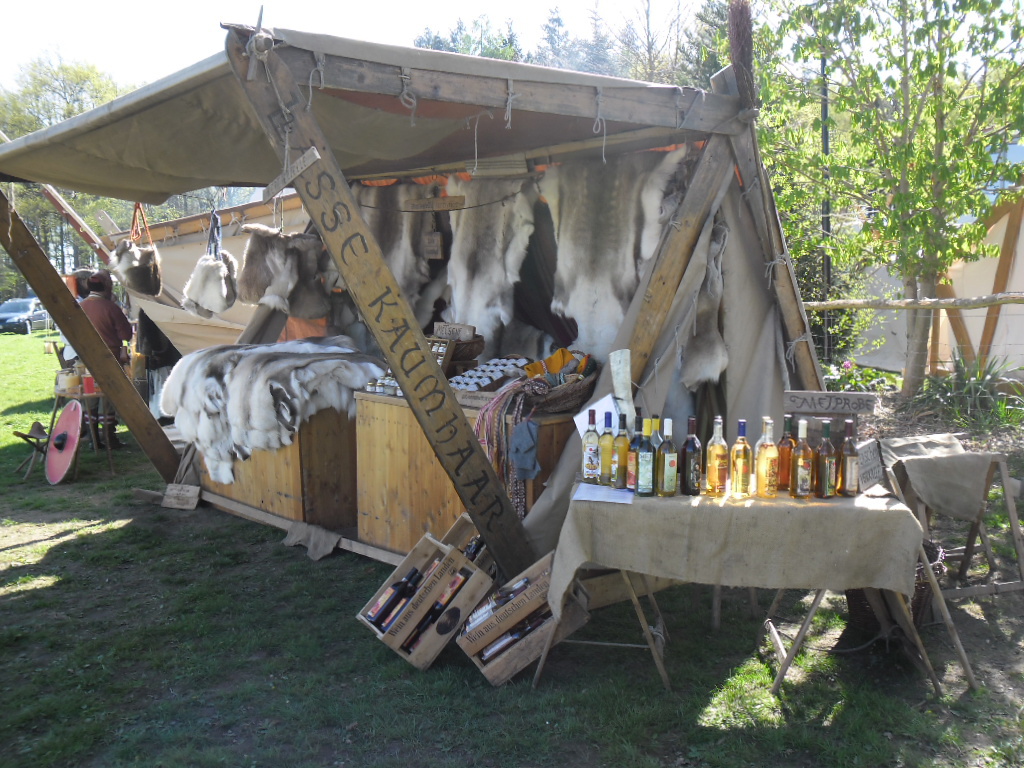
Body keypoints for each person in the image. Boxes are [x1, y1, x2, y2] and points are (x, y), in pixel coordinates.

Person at [78, 270, 133, 448]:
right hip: (109, 358)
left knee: (90, 396)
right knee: (109, 396)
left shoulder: (81, 306)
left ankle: (93, 439)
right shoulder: (110, 307)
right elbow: (126, 333)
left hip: (86, 358)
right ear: (107, 287)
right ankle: (109, 438)